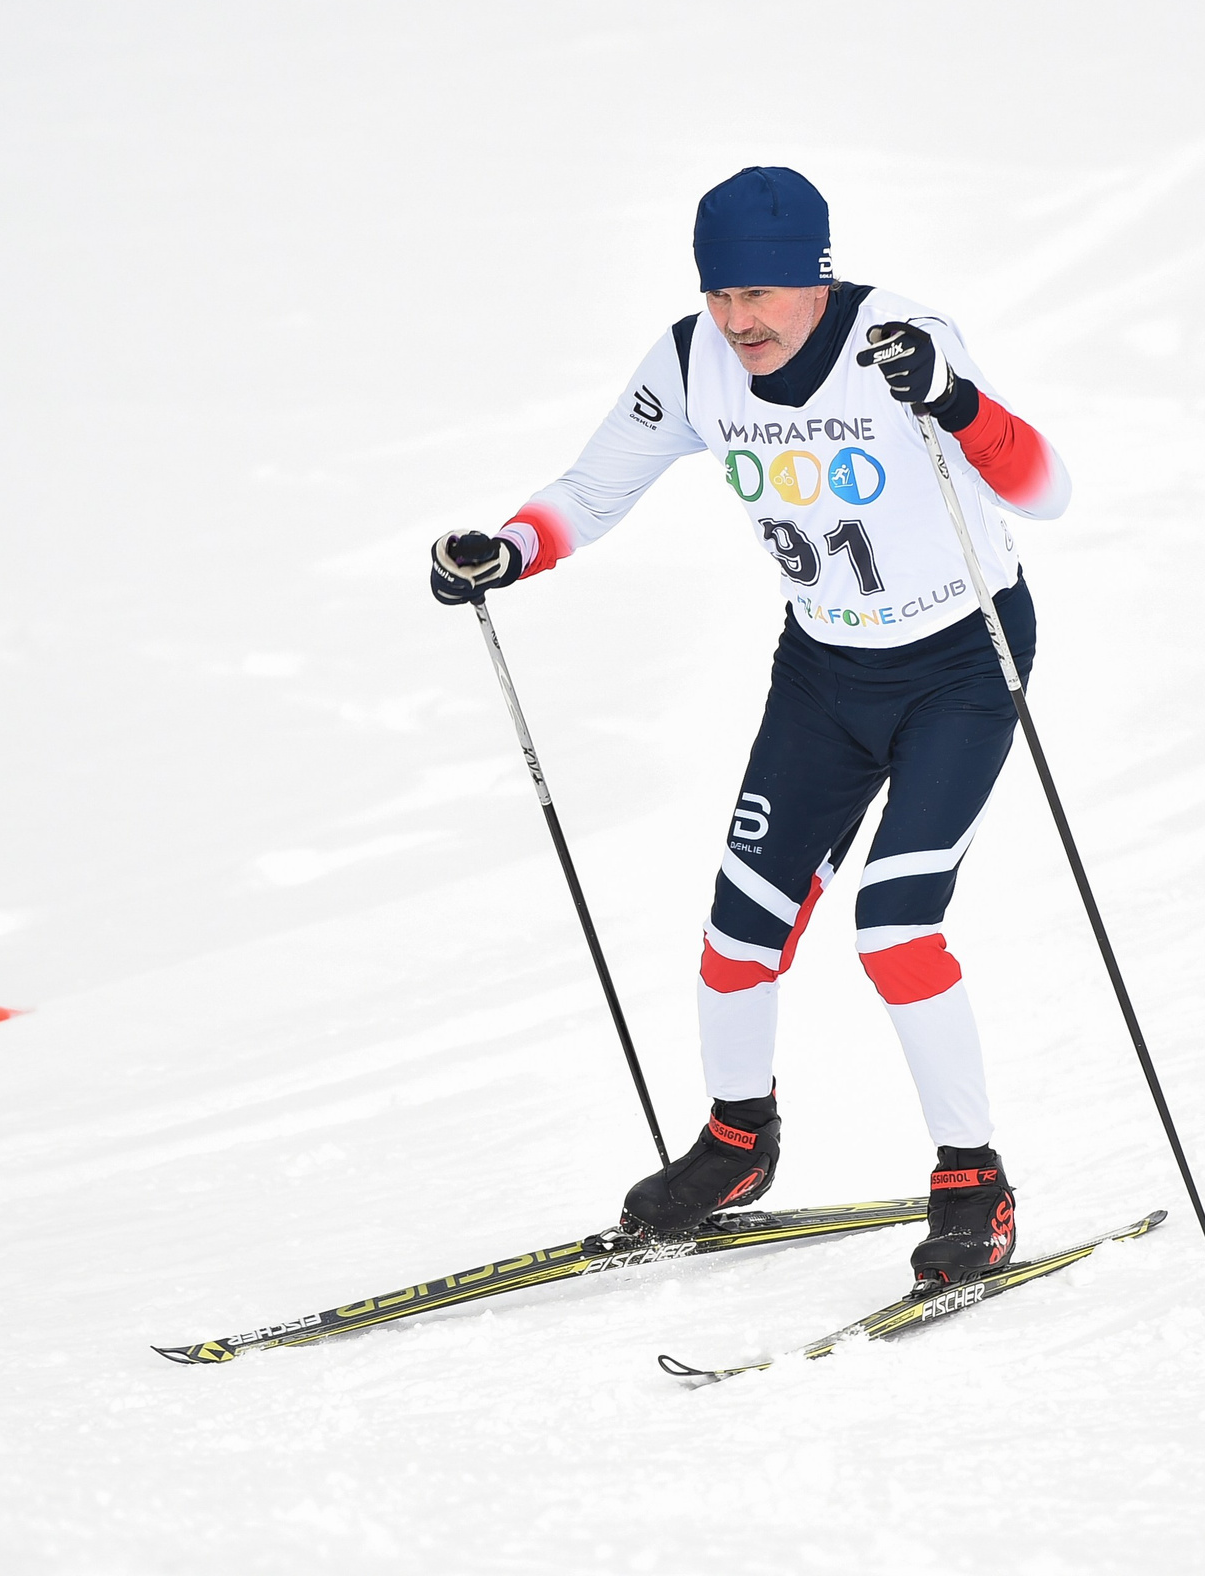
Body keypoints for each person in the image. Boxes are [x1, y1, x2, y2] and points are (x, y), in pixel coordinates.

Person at [428, 166, 1069, 1288]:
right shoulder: (690, 361)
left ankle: (973, 1179)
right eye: (721, 296)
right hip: (824, 673)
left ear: (818, 281)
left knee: (894, 928)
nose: (740, 322)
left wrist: (956, 404)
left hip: (961, 664)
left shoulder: (901, 341)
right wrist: (510, 549)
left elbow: (1045, 490)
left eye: (762, 295)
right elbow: (591, 489)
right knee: (737, 934)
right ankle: (736, 1143)